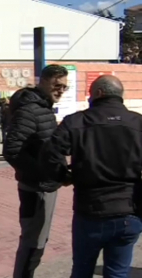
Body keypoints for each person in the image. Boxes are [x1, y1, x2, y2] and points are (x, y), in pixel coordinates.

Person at [40, 75, 142, 278]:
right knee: (118, 273)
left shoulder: (76, 121)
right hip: (129, 210)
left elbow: (50, 154)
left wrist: (63, 176)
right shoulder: (138, 123)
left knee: (82, 270)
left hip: (90, 210)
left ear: (98, 94)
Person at [3, 64, 69, 278]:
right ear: (43, 82)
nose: (60, 90)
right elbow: (12, 150)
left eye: (64, 87)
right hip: (36, 188)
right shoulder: (31, 110)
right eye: (57, 85)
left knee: (37, 240)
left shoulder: (43, 107)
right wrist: (45, 172)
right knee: (34, 242)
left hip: (43, 185)